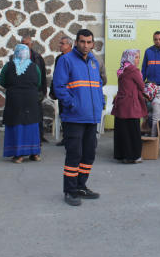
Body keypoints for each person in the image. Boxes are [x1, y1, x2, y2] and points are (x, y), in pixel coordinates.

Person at [52, 28, 104, 207]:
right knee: (74, 155)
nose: (86, 45)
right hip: (74, 117)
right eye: (82, 41)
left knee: (89, 154)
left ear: (93, 44)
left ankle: (81, 186)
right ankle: (70, 190)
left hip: (91, 117)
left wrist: (99, 105)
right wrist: (72, 104)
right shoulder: (66, 60)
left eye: (89, 42)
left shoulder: (93, 62)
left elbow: (97, 86)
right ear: (76, 42)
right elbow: (59, 87)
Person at [0, 44, 43, 163]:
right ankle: (35, 154)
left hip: (14, 101)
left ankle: (19, 155)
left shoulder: (8, 67)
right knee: (31, 125)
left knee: (16, 124)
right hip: (31, 100)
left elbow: (2, 81)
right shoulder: (34, 67)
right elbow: (38, 82)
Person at [112, 49, 147, 163]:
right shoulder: (133, 70)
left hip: (121, 104)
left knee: (123, 130)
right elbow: (142, 86)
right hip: (131, 105)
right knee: (133, 131)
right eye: (136, 57)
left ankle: (122, 155)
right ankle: (133, 156)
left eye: (138, 57)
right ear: (130, 58)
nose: (138, 60)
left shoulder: (122, 70)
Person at [21, 35, 48, 142]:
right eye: (23, 44)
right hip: (22, 92)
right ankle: (25, 138)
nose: (25, 46)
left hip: (36, 91)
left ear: (31, 45)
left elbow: (43, 75)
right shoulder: (16, 58)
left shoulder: (37, 57)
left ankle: (39, 136)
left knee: (38, 114)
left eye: (27, 44)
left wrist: (43, 91)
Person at [49, 36, 73, 146]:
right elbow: (56, 75)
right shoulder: (59, 58)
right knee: (63, 115)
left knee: (71, 115)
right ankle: (66, 138)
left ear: (69, 45)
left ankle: (72, 138)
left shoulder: (74, 58)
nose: (60, 45)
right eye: (60, 43)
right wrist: (53, 90)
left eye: (62, 43)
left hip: (71, 91)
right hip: (62, 91)